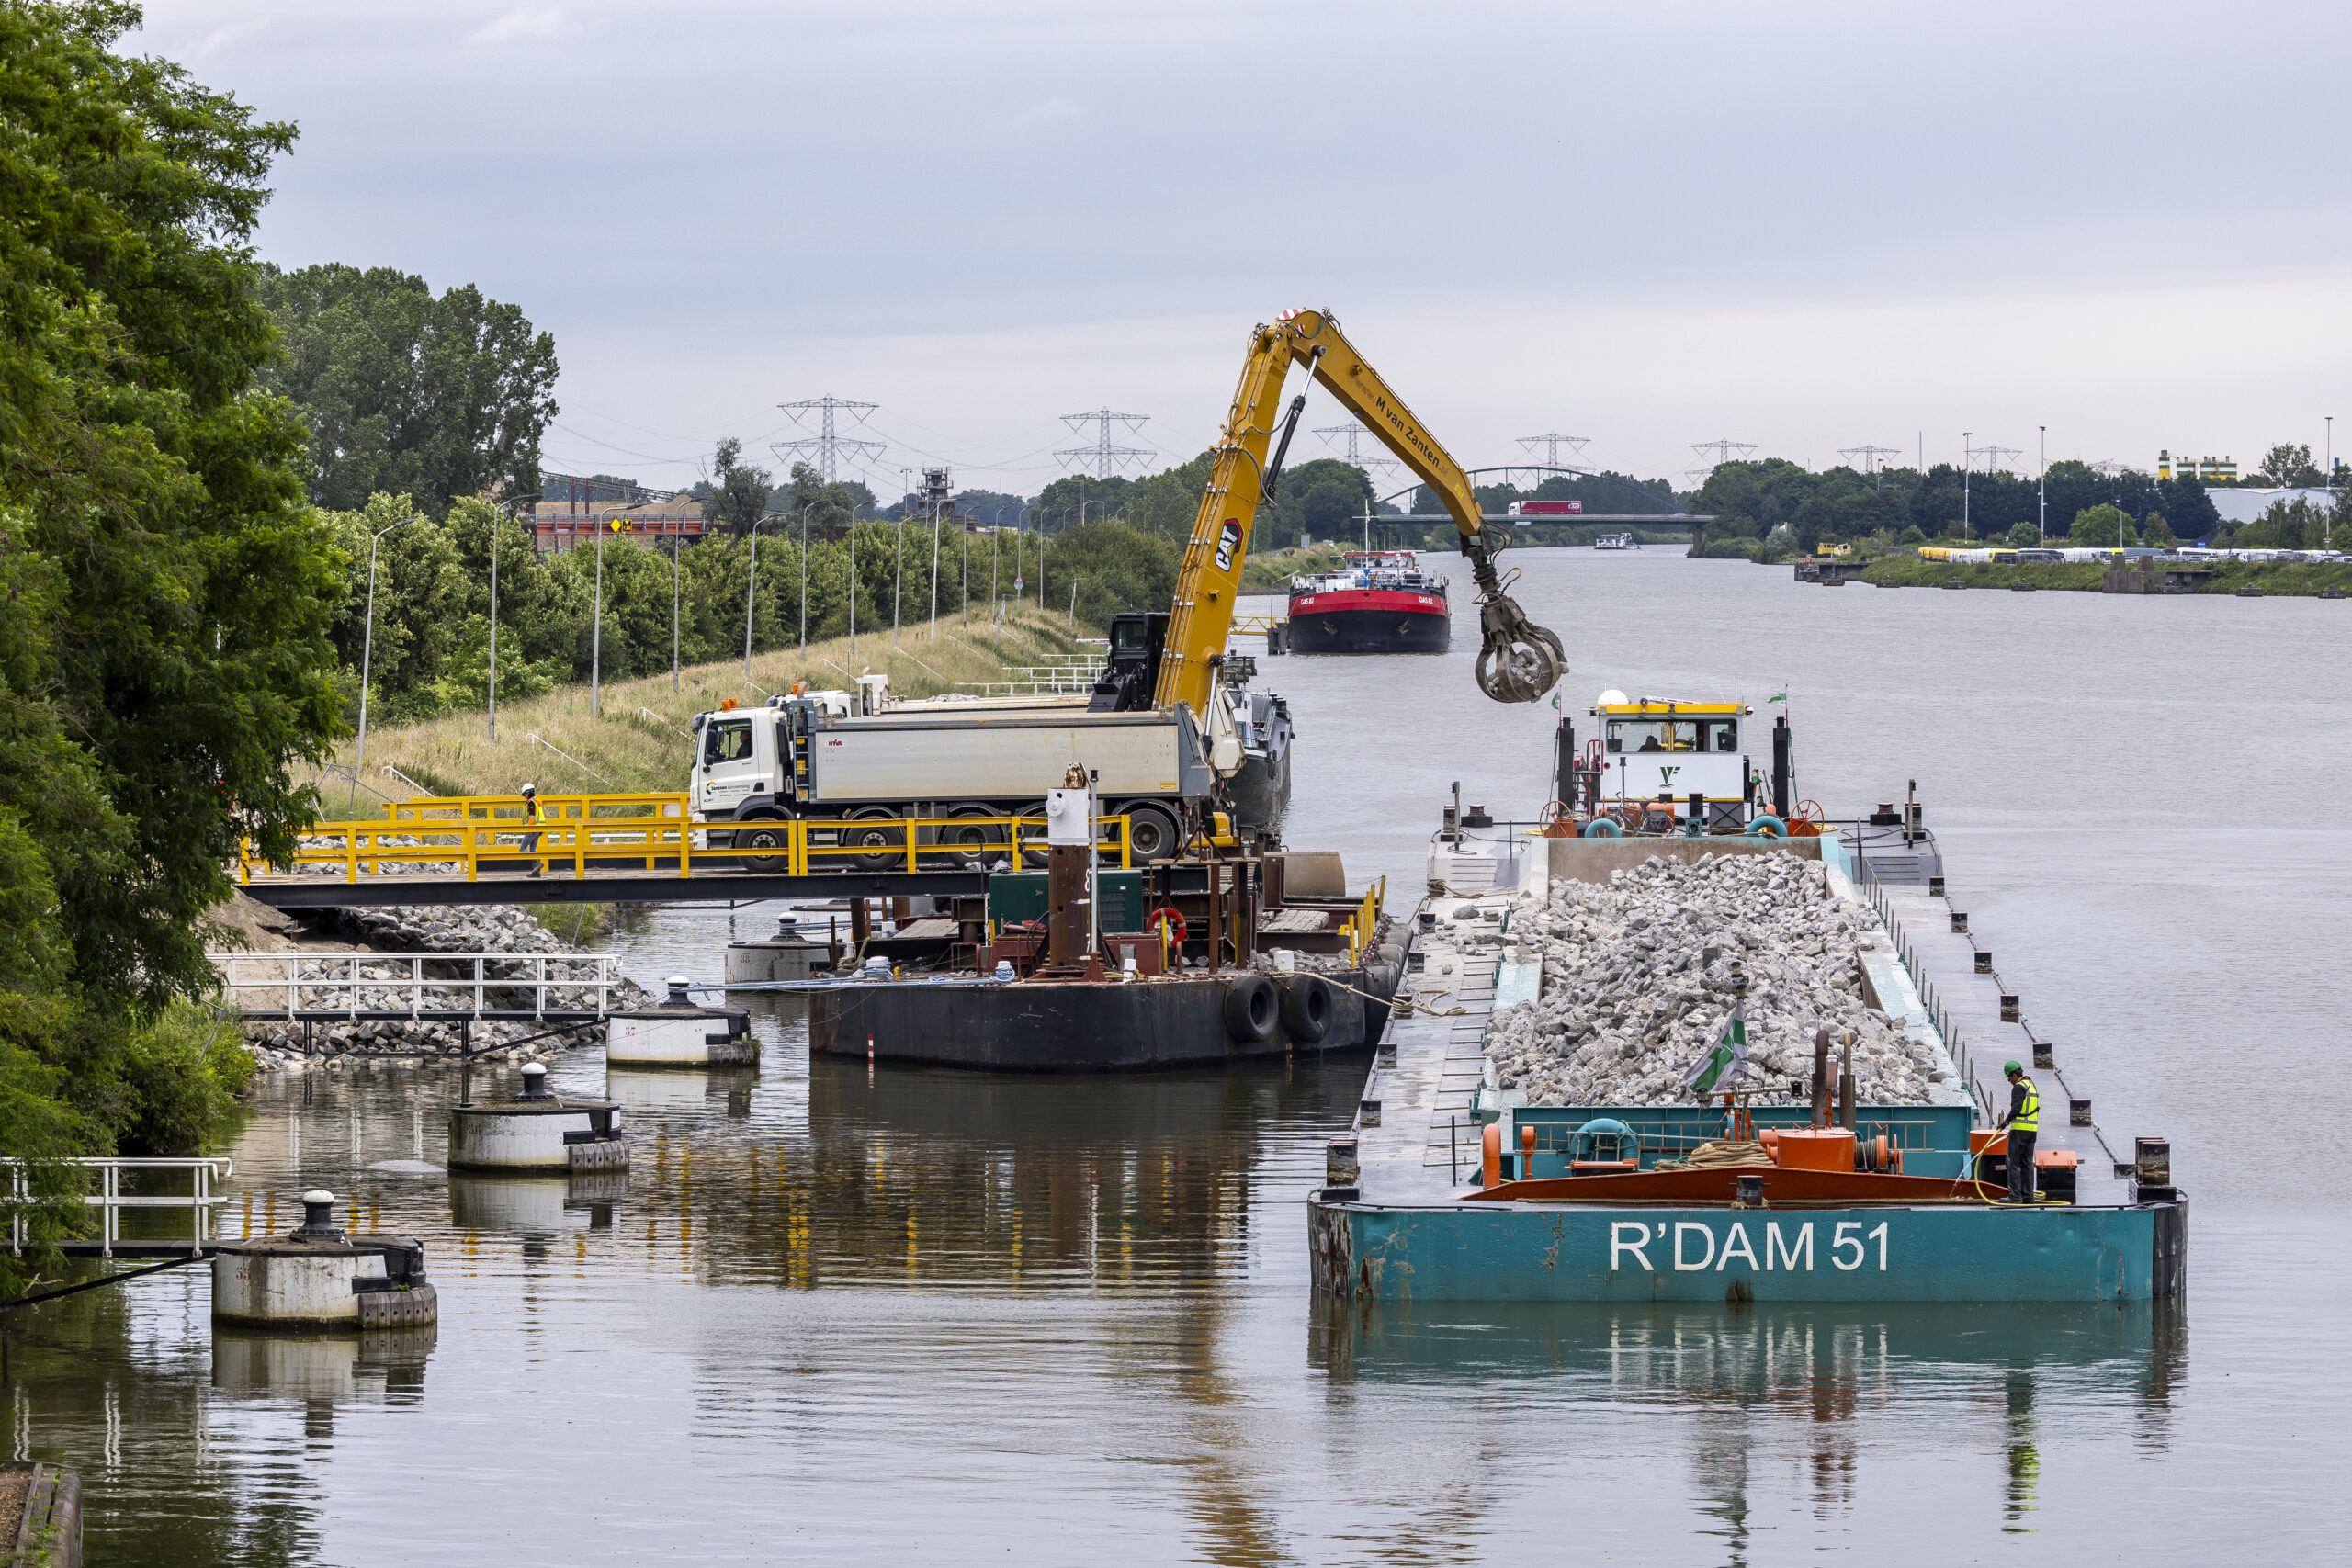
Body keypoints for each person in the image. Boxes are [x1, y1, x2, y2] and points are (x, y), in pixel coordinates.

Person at [1997, 1060, 2040, 1203]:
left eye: (2009, 1077)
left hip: (2020, 1130)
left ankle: (2015, 1196)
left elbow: (2016, 1109)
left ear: (2015, 1075)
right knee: (2027, 1163)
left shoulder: (2018, 1087)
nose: (2009, 1080)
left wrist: (2005, 1122)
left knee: (2013, 1162)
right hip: (2032, 1131)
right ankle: (2028, 1196)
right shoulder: (2031, 1086)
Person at [519, 783, 545, 878]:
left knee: (522, 849)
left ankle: (538, 863)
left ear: (529, 792)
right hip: (538, 830)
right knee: (533, 850)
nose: (525, 796)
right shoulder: (536, 802)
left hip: (533, 829)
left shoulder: (531, 803)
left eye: (525, 793)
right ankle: (536, 873)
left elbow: (532, 817)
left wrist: (529, 829)